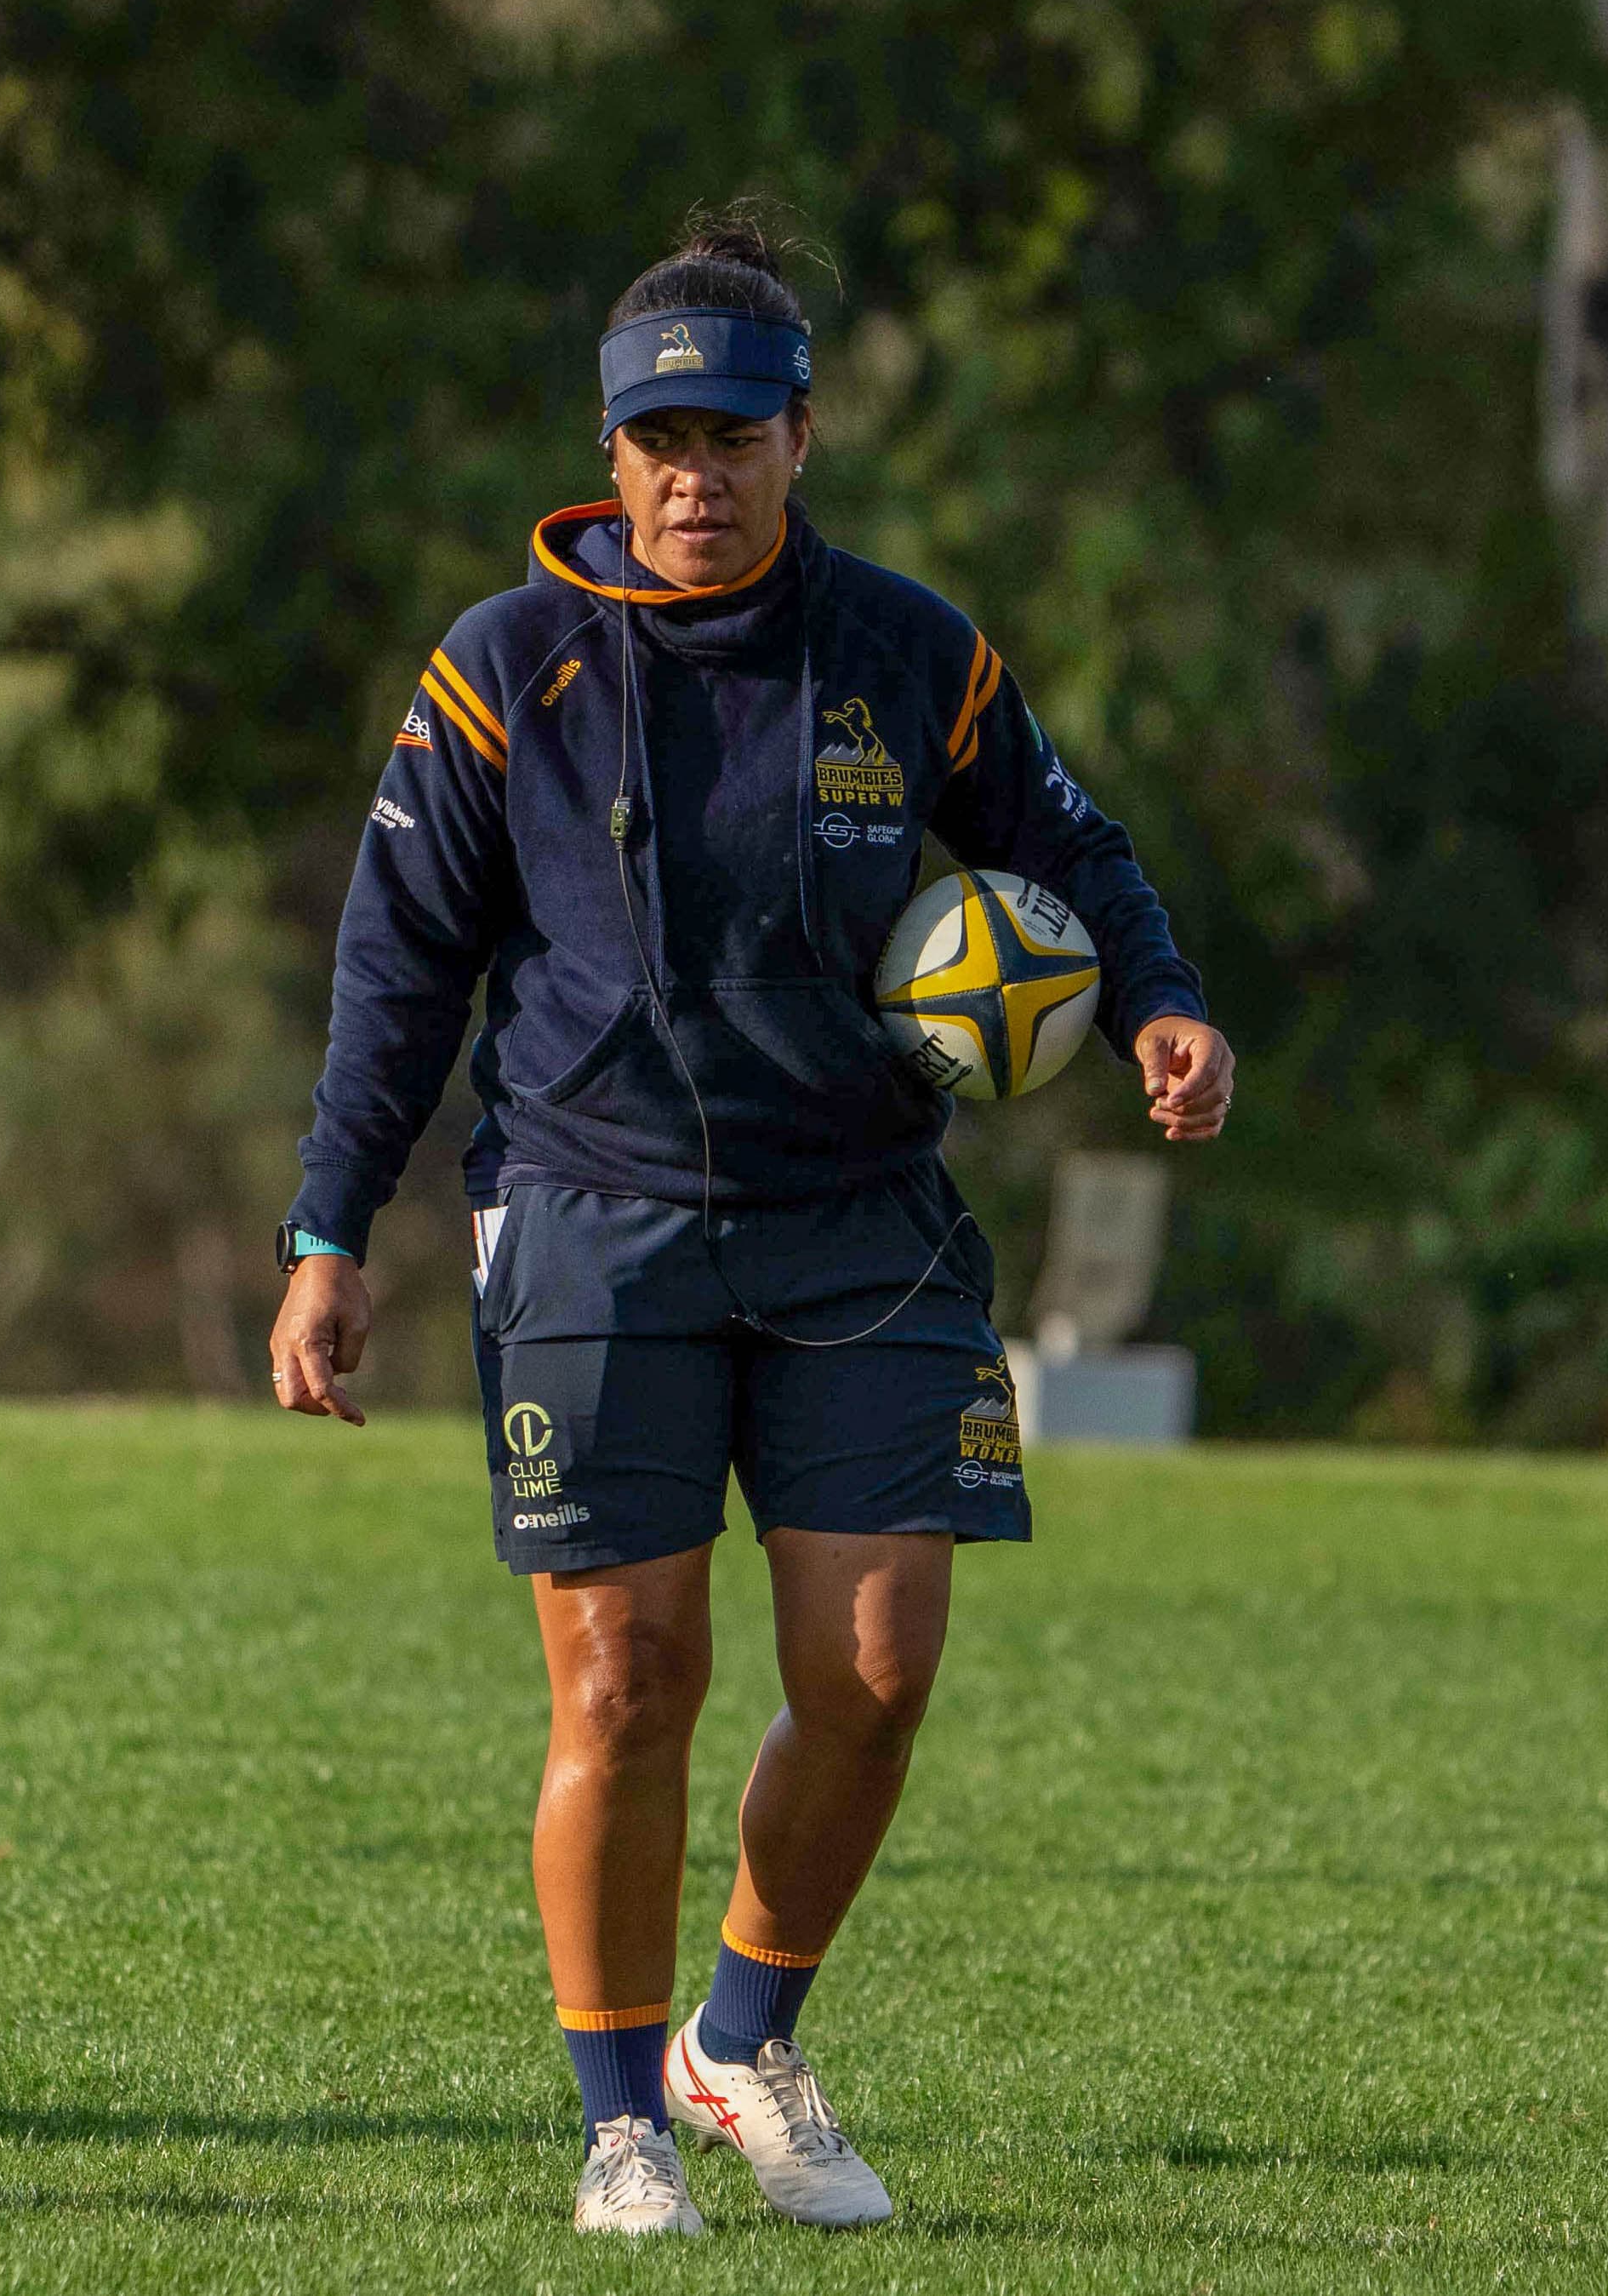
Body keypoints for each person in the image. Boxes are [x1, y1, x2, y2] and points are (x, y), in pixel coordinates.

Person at [268, 210, 1232, 2238]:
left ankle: (743, 2040)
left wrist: (1157, 996)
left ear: (806, 439)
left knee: (878, 1669)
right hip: (589, 1217)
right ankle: (622, 2114)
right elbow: (396, 974)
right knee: (628, 1682)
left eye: (735, 437)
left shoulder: (907, 650)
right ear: (609, 454)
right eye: (660, 441)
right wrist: (326, 1229)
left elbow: (1068, 841)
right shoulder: (499, 672)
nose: (694, 476)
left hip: (862, 1223)